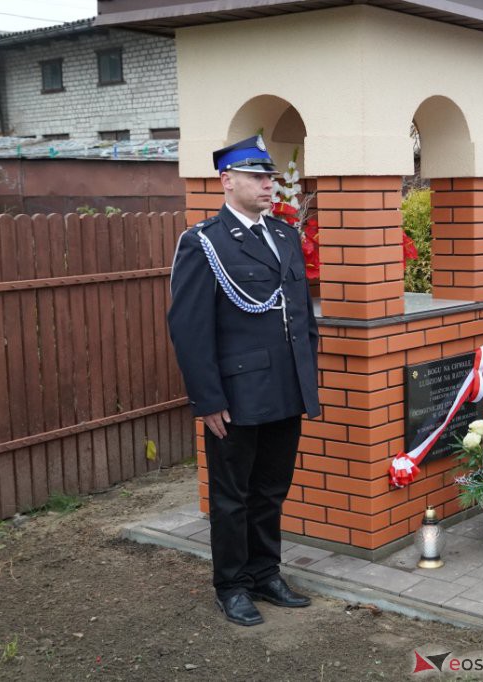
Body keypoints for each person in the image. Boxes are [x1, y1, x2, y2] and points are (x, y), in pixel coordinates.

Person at [168, 135, 319, 626]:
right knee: (231, 496)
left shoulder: (283, 236)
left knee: (272, 489)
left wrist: (306, 378)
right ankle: (231, 584)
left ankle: (265, 572)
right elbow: (189, 328)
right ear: (226, 180)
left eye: (270, 176)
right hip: (235, 395)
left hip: (284, 388)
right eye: (256, 176)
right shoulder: (204, 242)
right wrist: (207, 398)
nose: (267, 185)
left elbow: (300, 316)